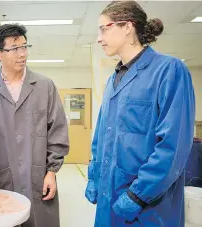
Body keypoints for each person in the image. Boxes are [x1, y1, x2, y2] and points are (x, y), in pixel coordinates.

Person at [85, 1, 195, 226]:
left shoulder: (169, 70)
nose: (98, 38)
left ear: (128, 27)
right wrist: (95, 175)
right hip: (109, 200)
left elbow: (173, 146)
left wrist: (137, 195)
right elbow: (101, 136)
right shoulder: (113, 80)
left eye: (104, 28)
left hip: (148, 207)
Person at [0, 23, 69, 227]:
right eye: (14, 48)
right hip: (1, 181)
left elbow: (57, 132)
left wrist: (52, 172)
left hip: (38, 180)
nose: (22, 54)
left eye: (24, 47)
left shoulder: (45, 87)